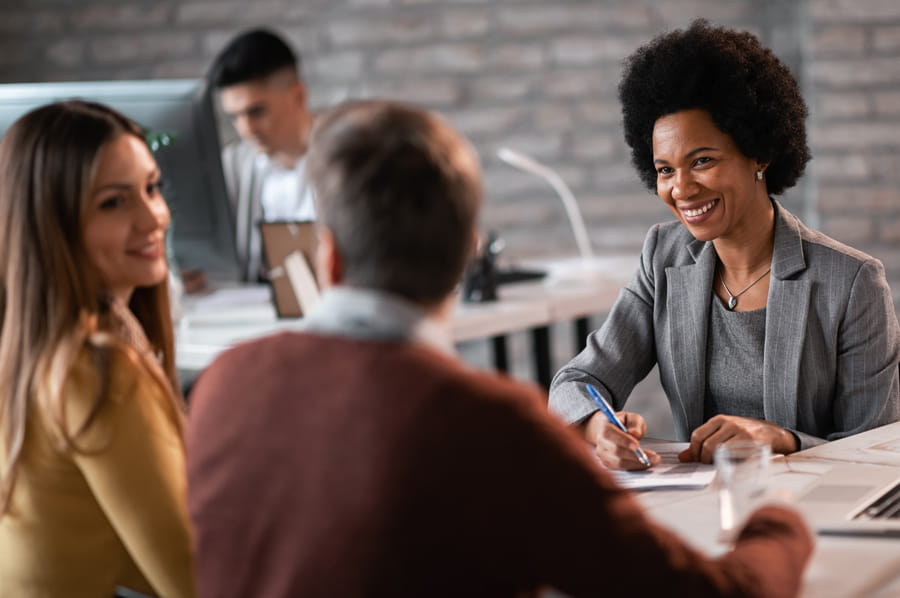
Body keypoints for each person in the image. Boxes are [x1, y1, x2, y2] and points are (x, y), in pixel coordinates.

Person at [186, 99, 812, 598]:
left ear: (328, 254)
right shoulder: (486, 423)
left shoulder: (223, 383)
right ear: (468, 252)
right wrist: (779, 522)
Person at [549, 19, 900, 469]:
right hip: (698, 503)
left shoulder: (851, 282)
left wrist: (781, 439)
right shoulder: (663, 257)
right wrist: (601, 428)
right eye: (665, 170)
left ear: (760, 153)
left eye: (703, 161)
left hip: (813, 509)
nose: (682, 188)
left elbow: (879, 451)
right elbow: (574, 382)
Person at [0, 101, 195, 598]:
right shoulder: (97, 370)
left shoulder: (31, 350)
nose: (152, 217)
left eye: (152, 188)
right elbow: (196, 580)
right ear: (53, 224)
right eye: (113, 202)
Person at [208, 28, 316, 283]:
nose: (246, 129)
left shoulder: (344, 164)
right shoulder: (233, 166)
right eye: (234, 117)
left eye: (256, 111)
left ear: (297, 96)